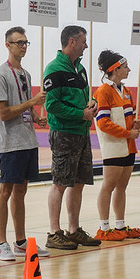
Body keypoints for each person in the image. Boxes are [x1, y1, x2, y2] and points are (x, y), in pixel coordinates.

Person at [0, 27, 49, 261]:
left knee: (21, 191)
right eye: (19, 42)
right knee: (5, 190)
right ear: (8, 45)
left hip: (27, 140)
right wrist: (32, 103)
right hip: (10, 142)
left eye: (26, 42)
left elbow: (26, 103)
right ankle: (1, 243)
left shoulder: (25, 73)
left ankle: (20, 241)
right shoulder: (1, 75)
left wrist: (36, 116)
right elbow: (3, 113)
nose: (23, 46)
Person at [43, 25, 101, 250]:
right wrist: (80, 114)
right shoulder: (54, 69)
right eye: (83, 41)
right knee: (60, 184)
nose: (86, 45)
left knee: (78, 184)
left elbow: (86, 95)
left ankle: (74, 230)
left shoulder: (81, 68)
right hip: (64, 134)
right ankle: (54, 232)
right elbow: (52, 105)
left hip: (82, 133)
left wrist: (92, 103)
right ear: (72, 42)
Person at [93, 50, 140, 241]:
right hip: (113, 145)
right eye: (125, 67)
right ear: (114, 69)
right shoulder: (103, 92)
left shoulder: (127, 91)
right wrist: (127, 132)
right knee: (109, 185)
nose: (129, 70)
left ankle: (120, 225)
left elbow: (128, 117)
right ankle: (104, 227)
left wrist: (134, 125)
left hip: (128, 145)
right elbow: (103, 122)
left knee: (122, 185)